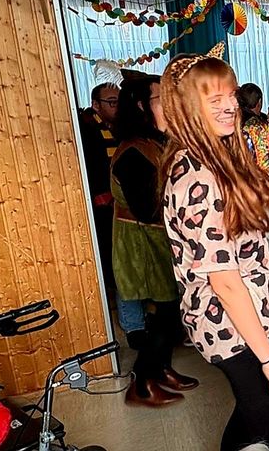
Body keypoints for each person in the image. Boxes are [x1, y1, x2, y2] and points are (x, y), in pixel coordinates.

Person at [161, 44, 269, 451]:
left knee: (261, 413)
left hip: (248, 312)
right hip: (228, 320)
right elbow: (225, 283)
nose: (230, 106)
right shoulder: (198, 176)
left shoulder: (213, 158)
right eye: (215, 99)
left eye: (231, 95)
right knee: (263, 411)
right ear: (188, 108)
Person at [110, 75, 198, 407]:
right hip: (142, 243)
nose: (170, 105)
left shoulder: (153, 141)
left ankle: (161, 370)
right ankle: (142, 382)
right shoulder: (133, 151)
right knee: (164, 312)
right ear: (141, 106)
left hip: (157, 239)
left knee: (169, 310)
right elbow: (147, 208)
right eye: (162, 99)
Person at [78, 83, 120, 290]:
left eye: (119, 102)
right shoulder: (87, 130)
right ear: (96, 105)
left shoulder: (119, 128)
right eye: (112, 102)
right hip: (101, 204)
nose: (117, 107)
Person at [239, 83, 269, 172]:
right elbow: (265, 161)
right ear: (259, 102)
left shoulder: (232, 120)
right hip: (255, 174)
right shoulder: (257, 126)